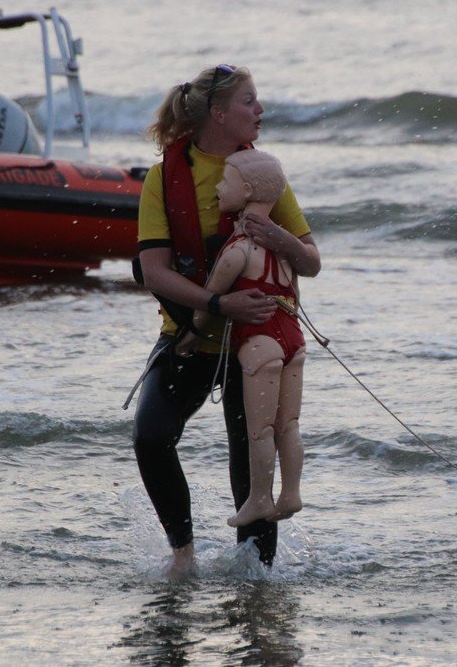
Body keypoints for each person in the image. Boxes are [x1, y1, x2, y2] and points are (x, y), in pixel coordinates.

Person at [131, 64, 320, 575]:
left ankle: (257, 580)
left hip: (254, 344)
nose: (260, 111)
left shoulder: (265, 175)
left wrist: (273, 234)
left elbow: (310, 260)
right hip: (189, 337)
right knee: (150, 436)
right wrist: (217, 305)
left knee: (250, 453)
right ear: (218, 113)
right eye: (249, 102)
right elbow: (153, 272)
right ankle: (183, 556)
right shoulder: (163, 179)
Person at [177, 150, 306, 528]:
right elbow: (296, 287)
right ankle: (292, 492)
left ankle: (260, 498)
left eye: (225, 182)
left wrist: (191, 334)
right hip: (294, 340)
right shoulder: (283, 249)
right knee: (290, 424)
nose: (218, 188)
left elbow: (212, 299)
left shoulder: (238, 249)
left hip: (260, 343)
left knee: (260, 429)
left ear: (247, 190)